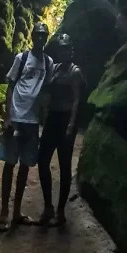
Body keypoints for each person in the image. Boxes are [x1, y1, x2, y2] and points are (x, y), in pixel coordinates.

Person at [0, 22, 53, 232]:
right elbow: (10, 86)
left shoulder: (48, 62)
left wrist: (43, 116)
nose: (40, 38)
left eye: (43, 36)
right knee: (9, 164)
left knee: (24, 167)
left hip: (32, 122)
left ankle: (17, 212)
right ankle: (3, 212)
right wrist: (8, 116)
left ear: (46, 38)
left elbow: (46, 91)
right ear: (32, 36)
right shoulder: (21, 59)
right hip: (17, 117)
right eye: (37, 35)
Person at [38, 33, 84, 227]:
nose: (63, 51)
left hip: (66, 120)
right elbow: (47, 91)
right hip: (53, 119)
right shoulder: (55, 69)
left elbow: (76, 100)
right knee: (42, 161)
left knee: (64, 166)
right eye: (60, 49)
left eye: (66, 48)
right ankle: (48, 206)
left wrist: (71, 125)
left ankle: (60, 211)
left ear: (70, 50)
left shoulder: (75, 72)